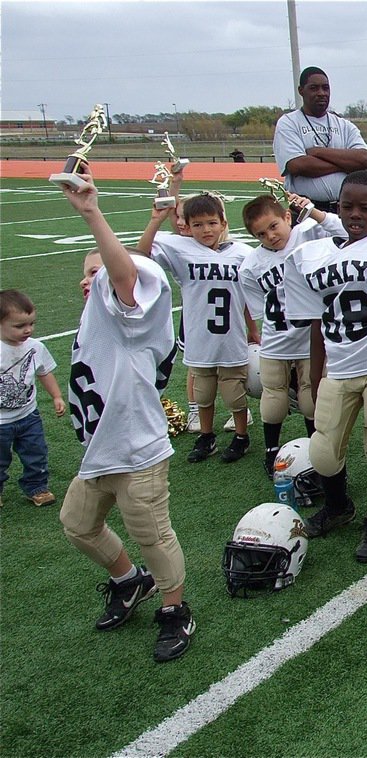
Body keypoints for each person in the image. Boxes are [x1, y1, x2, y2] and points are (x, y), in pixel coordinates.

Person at [57, 173, 195, 662]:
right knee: (77, 525)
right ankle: (127, 579)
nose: (88, 278)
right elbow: (129, 267)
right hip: (100, 451)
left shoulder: (130, 319)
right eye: (85, 271)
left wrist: (92, 213)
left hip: (136, 451)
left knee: (152, 535)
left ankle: (175, 610)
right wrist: (153, 223)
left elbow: (126, 274)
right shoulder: (106, 315)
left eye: (96, 271)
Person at [283, 170, 367, 562]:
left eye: (365, 207)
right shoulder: (312, 253)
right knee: (323, 449)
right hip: (339, 365)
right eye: (347, 206)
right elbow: (314, 318)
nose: (355, 214)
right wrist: (313, 369)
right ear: (336, 207)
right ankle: (339, 506)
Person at [136, 193, 257, 465]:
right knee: (203, 394)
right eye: (199, 225)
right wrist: (155, 220)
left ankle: (240, 436)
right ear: (187, 227)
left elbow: (251, 295)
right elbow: (141, 255)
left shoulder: (242, 253)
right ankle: (206, 435)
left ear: (223, 223)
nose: (206, 230)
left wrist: (253, 329)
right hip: (200, 339)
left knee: (234, 394)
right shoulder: (183, 251)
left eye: (212, 223)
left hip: (231, 338)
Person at [239, 192, 344, 476]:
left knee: (311, 395)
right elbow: (260, 310)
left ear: (288, 217)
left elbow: (344, 228)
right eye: (261, 233)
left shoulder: (307, 232)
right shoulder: (250, 265)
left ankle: (314, 444)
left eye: (274, 226)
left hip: (311, 338)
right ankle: (272, 449)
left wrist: (313, 211)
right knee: (273, 398)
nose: (270, 236)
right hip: (278, 339)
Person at [272, 67, 367, 213]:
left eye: (325, 88)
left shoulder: (344, 125)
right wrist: (347, 165)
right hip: (305, 209)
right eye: (314, 88)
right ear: (301, 91)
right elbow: (298, 165)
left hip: (343, 209)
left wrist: (317, 152)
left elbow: (363, 158)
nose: (321, 93)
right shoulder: (289, 122)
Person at [0, 289, 64, 508]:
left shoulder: (35, 347)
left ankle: (36, 487)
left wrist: (56, 396)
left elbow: (44, 372)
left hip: (28, 415)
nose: (28, 330)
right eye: (19, 326)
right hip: (1, 423)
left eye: (31, 324)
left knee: (36, 453)